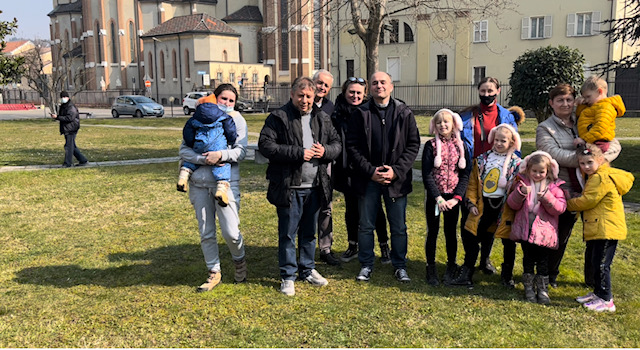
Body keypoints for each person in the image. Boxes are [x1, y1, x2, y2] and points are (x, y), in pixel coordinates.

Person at [258, 76, 341, 296]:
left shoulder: (322, 118)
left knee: (309, 233)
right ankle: (288, 275)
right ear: (292, 95)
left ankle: (308, 269)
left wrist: (325, 152)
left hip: (314, 185)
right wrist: (298, 153)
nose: (304, 100)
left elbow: (336, 145)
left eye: (309, 97)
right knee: (287, 233)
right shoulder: (279, 117)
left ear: (315, 97)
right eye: (300, 96)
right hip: (289, 186)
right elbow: (266, 145)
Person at [535, 84, 621, 288]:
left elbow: (614, 142)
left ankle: (593, 280)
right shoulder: (545, 128)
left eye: (568, 100)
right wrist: (588, 159)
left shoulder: (585, 117)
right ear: (551, 103)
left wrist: (596, 160)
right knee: (559, 235)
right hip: (563, 190)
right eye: (560, 100)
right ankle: (549, 275)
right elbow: (553, 154)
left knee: (595, 235)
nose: (565, 104)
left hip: (593, 189)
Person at [346, 71, 421, 283]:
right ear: (370, 88)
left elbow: (413, 144)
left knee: (398, 227)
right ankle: (366, 264)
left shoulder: (404, 113)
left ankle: (400, 265)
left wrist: (396, 171)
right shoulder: (360, 113)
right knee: (366, 225)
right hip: (368, 179)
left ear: (391, 86)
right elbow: (352, 146)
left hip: (396, 180)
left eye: (383, 82)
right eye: (375, 83)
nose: (379, 86)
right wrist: (370, 171)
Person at [179, 84, 248, 292]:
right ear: (214, 99)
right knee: (206, 232)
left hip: (226, 184)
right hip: (199, 184)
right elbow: (184, 150)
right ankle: (213, 271)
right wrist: (204, 159)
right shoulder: (199, 117)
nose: (226, 103)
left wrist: (221, 155)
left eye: (231, 100)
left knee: (231, 232)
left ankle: (239, 260)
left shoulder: (236, 120)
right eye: (222, 99)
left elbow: (241, 152)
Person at [457, 77, 520, 283]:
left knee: (494, 223)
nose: (486, 94)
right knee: (472, 220)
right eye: (483, 90)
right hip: (475, 168)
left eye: (490, 90)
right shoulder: (468, 115)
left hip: (501, 170)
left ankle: (485, 260)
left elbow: (514, 144)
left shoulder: (507, 116)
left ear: (498, 91)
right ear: (478, 91)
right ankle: (470, 261)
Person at [451, 124, 521, 287]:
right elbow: (473, 184)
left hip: (505, 208)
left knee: (508, 241)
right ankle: (467, 271)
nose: (498, 143)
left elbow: (518, 186)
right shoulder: (483, 160)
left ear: (511, 143)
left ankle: (507, 275)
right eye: (496, 140)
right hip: (484, 206)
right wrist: (471, 203)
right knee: (472, 235)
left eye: (503, 141)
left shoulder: (517, 164)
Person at [567, 144, 634, 312]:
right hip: (601, 226)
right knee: (596, 262)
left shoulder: (599, 177)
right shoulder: (598, 175)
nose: (586, 167)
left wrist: (566, 203)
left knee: (602, 264)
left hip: (606, 228)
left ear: (600, 160)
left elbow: (588, 200)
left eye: (589, 162)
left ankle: (606, 299)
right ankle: (598, 292)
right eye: (582, 164)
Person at [331, 77, 390, 264]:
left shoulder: (369, 110)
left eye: (358, 93)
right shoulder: (337, 113)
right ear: (344, 92)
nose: (355, 96)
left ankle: (384, 244)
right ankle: (353, 244)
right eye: (351, 92)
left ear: (364, 94)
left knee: (375, 208)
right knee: (351, 209)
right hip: (346, 168)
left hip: (367, 167)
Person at [505, 151, 566, 304]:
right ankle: (528, 287)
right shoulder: (522, 184)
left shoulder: (554, 188)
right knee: (528, 260)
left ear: (548, 171)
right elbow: (512, 204)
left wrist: (546, 197)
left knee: (543, 261)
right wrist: (520, 193)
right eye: (534, 171)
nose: (537, 174)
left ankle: (543, 289)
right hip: (526, 230)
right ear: (528, 170)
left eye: (541, 172)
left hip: (544, 233)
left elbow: (559, 208)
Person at [421, 108, 470, 286]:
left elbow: (465, 175)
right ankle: (431, 266)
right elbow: (427, 174)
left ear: (454, 124)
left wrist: (456, 198)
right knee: (432, 231)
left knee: (450, 232)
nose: (443, 125)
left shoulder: (461, 147)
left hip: (453, 199)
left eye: (446, 122)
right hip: (436, 198)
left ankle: (451, 264)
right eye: (439, 122)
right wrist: (438, 198)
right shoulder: (430, 146)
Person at [177, 93, 236, 207]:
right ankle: (221, 188)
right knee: (222, 166)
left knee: (190, 161)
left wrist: (192, 143)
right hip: (218, 146)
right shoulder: (224, 116)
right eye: (224, 99)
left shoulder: (194, 118)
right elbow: (230, 131)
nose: (227, 103)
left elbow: (187, 133)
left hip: (199, 143)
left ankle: (183, 177)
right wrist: (231, 140)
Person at [312, 69, 339, 265]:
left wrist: (326, 151)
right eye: (319, 82)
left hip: (324, 163)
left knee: (326, 206)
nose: (321, 87)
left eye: (326, 85)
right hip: (302, 162)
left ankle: (325, 248)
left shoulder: (331, 108)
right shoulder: (302, 101)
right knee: (304, 207)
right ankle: (304, 246)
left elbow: (335, 138)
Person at [574, 76, 625, 153]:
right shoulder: (594, 106)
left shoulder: (605, 107)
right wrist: (581, 104)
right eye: (584, 98)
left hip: (599, 142)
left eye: (588, 96)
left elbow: (601, 127)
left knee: (591, 161)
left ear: (600, 91)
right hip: (592, 140)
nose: (586, 100)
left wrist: (584, 140)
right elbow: (580, 115)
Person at [51, 91, 89, 167]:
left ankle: (67, 163)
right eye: (62, 97)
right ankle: (83, 160)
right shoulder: (64, 105)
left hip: (71, 128)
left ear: (67, 97)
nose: (62, 99)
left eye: (64, 97)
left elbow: (70, 118)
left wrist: (57, 117)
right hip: (68, 128)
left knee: (68, 146)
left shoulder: (71, 107)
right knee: (72, 146)